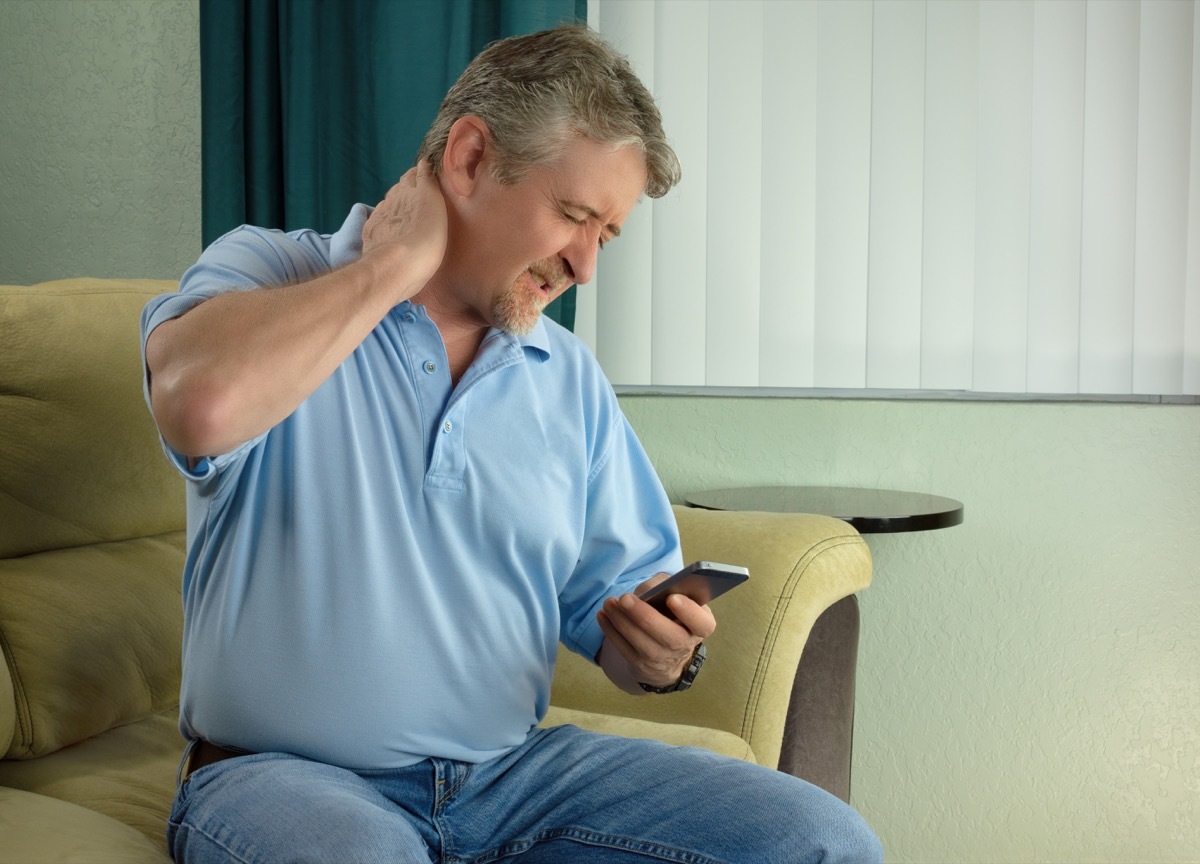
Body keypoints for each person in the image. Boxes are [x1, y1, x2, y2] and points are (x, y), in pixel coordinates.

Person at [141, 24, 883, 864]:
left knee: (821, 841)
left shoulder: (565, 378)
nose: (584, 264)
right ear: (466, 159)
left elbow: (621, 613)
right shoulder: (267, 272)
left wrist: (665, 655)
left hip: (512, 781)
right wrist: (389, 270)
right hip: (282, 779)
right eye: (572, 216)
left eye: (604, 234)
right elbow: (199, 409)